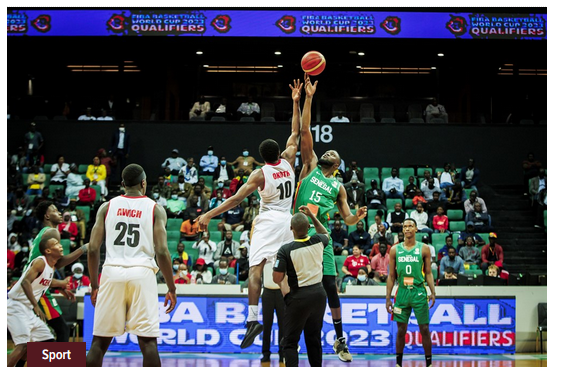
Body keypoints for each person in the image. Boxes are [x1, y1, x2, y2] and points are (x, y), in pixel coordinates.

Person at [197, 78, 302, 349]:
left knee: (255, 269)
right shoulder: (290, 160)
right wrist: (295, 102)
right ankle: (294, 315)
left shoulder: (259, 173)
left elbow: (235, 199)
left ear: (260, 157)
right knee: (285, 273)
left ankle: (253, 319)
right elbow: (296, 131)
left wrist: (209, 214)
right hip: (288, 221)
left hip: (268, 220)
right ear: (279, 153)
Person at [293, 74, 367, 363]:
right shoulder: (310, 165)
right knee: (296, 291)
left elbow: (347, 219)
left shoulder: (338, 187)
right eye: (329, 149)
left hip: (320, 240)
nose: (330, 150)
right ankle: (294, 337)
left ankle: (339, 339)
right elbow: (306, 130)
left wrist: (356, 217)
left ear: (337, 165)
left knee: (330, 290)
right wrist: (308, 98)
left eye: (334, 153)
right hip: (295, 235)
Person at [85, 163, 177, 367]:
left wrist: (94, 285)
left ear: (122, 184)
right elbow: (162, 251)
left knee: (99, 343)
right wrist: (171, 287)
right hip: (142, 273)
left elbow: (92, 249)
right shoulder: (155, 208)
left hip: (111, 271)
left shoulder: (106, 207)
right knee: (148, 343)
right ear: (144, 184)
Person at [272, 205, 329, 367]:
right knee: (314, 338)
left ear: (291, 229)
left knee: (289, 342)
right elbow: (325, 233)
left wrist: (284, 289)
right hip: (319, 294)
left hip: (299, 297)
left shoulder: (286, 250)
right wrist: (312, 215)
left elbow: (277, 278)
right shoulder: (318, 241)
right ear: (309, 227)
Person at [22, 201, 85, 345]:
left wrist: (60, 287)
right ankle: (57, 365)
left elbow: (49, 268)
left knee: (37, 338)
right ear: (47, 216)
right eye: (55, 211)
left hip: (37, 287)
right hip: (37, 290)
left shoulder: (43, 233)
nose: (60, 213)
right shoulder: (52, 232)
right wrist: (83, 250)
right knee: (61, 330)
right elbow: (59, 262)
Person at [7, 236, 76, 366]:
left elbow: (46, 283)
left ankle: (53, 365)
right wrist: (36, 307)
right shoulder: (40, 262)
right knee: (22, 345)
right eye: (56, 243)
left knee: (48, 342)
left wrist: (62, 290)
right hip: (15, 305)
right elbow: (25, 282)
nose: (60, 245)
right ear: (48, 251)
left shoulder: (50, 267)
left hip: (27, 308)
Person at [385, 218, 436, 367]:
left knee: (425, 329)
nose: (407, 228)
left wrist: (432, 291)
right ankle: (398, 364)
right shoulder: (395, 249)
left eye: (410, 226)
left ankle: (429, 365)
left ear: (415, 229)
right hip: (401, 293)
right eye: (405, 226)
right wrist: (388, 298)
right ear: (402, 230)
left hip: (419, 291)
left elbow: (428, 273)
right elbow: (391, 276)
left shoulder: (424, 248)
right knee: (401, 329)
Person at [260, 261, 285, 367]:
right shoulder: (264, 256)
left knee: (283, 326)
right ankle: (266, 353)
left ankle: (282, 353)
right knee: (267, 325)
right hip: (267, 292)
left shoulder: (282, 254)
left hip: (281, 292)